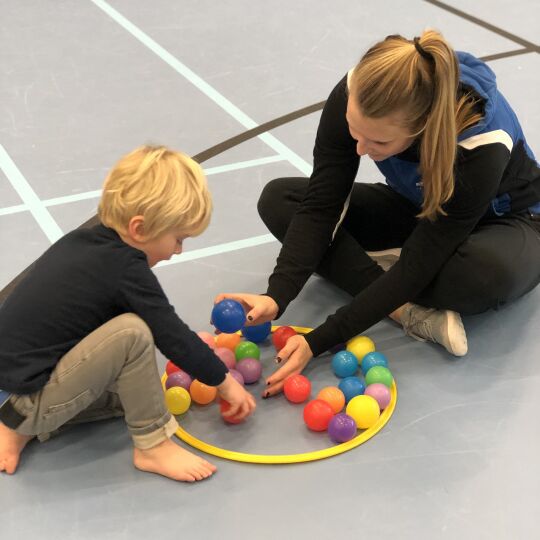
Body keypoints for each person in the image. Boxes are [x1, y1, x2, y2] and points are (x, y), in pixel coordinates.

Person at [217, 30, 540, 397]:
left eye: (379, 142)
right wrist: (277, 295)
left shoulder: (480, 142)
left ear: (423, 127)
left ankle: (384, 271)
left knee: (481, 276)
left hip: (512, 222)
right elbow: (323, 203)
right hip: (421, 208)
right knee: (280, 200)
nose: (360, 147)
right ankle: (402, 307)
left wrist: (320, 340)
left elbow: (421, 260)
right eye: (356, 130)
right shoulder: (359, 91)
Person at [0, 146, 256, 480]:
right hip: (29, 398)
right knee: (133, 333)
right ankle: (153, 446)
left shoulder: (82, 242)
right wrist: (223, 382)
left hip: (12, 386)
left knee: (134, 395)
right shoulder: (125, 270)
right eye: (178, 239)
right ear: (139, 229)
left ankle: (14, 425)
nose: (178, 251)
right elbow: (172, 334)